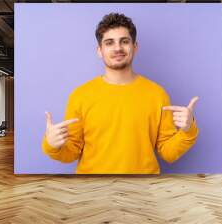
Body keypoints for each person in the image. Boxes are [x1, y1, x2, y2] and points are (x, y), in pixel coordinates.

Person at [42, 12, 199, 174]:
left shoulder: (158, 94)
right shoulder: (80, 95)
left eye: (124, 41)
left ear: (135, 47)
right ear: (99, 50)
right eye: (109, 43)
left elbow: (168, 152)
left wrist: (188, 130)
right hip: (92, 190)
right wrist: (52, 144)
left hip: (143, 191)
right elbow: (72, 152)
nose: (117, 48)